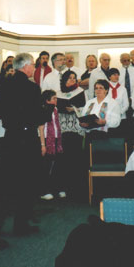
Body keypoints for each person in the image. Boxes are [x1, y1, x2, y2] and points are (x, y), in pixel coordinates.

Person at [0, 53, 44, 236]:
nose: (34, 68)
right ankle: (20, 225)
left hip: (10, 137)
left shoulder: (4, 84)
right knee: (26, 181)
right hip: (27, 138)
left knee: (6, 181)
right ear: (25, 66)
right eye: (33, 65)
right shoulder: (32, 88)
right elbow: (38, 116)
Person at [56, 70, 87, 200]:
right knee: (64, 159)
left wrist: (74, 109)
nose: (72, 80)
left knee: (76, 157)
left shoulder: (80, 91)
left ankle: (76, 189)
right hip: (63, 128)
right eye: (70, 78)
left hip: (75, 128)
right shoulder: (59, 93)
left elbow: (84, 108)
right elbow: (56, 108)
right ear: (64, 80)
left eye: (74, 78)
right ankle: (63, 187)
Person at [38, 90, 67, 201]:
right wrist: (42, 145)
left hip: (55, 139)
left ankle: (56, 188)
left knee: (57, 165)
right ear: (47, 100)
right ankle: (44, 190)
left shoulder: (55, 109)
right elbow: (41, 128)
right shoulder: (43, 110)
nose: (56, 100)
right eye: (54, 98)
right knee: (45, 166)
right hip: (46, 139)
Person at [107, 68, 129, 137]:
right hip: (109, 117)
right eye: (114, 75)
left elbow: (126, 104)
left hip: (121, 117)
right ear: (109, 77)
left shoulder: (123, 89)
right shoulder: (105, 88)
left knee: (120, 136)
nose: (116, 76)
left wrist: (119, 113)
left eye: (118, 75)